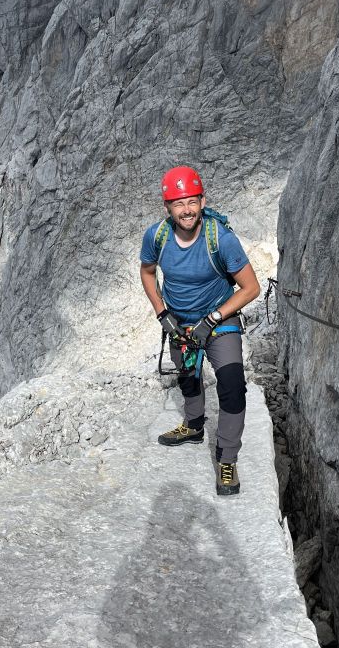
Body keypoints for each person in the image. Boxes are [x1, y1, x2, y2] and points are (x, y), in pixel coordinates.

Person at [139, 165, 261, 495]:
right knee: (188, 375)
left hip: (220, 321)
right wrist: (162, 312)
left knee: (233, 384)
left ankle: (227, 458)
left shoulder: (220, 238)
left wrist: (212, 319)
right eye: (179, 204)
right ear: (167, 207)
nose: (187, 210)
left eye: (192, 201)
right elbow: (147, 273)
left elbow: (251, 288)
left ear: (203, 201)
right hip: (180, 323)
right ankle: (194, 426)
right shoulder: (157, 237)